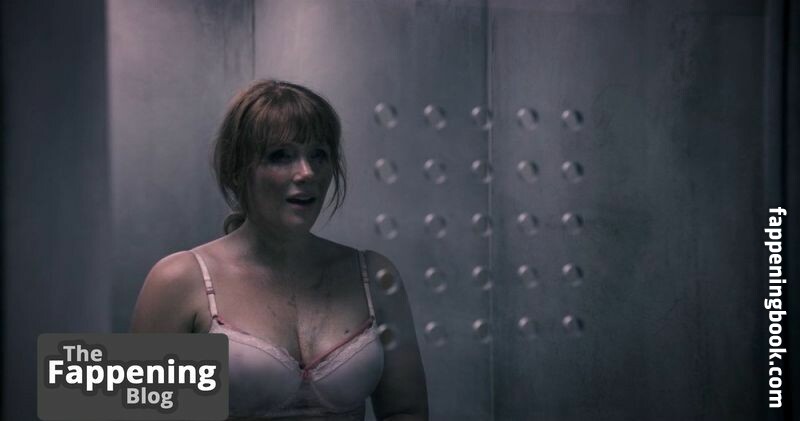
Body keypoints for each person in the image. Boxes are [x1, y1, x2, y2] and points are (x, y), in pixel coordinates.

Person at [130, 80, 429, 420]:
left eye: (319, 155)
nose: (306, 172)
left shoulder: (373, 276)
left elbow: (406, 412)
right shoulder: (180, 280)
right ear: (237, 170)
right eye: (281, 156)